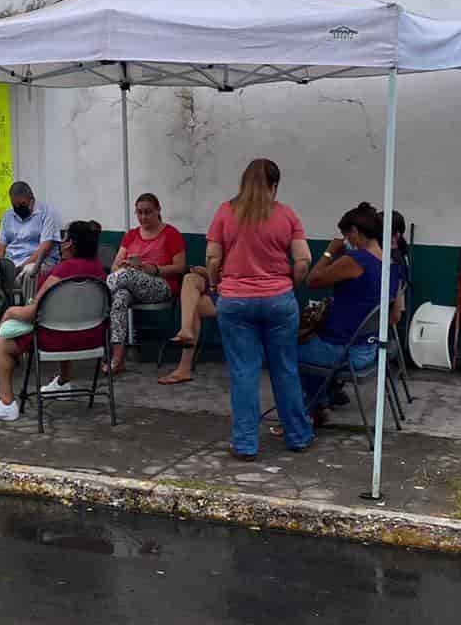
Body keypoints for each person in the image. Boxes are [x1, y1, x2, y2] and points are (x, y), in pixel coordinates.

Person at [208, 158, 313, 459]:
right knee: (285, 370)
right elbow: (303, 260)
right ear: (275, 185)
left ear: (243, 182)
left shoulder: (224, 212)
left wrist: (215, 285)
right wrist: (290, 284)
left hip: (235, 301)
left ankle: (245, 443)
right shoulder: (286, 214)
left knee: (244, 373)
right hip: (279, 299)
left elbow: (213, 259)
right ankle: (298, 436)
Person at [0, 219, 107, 423]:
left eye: (64, 238)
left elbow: (32, 312)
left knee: (2, 343)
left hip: (54, 339)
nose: (61, 242)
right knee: (66, 320)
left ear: (70, 243)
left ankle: (5, 403)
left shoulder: (62, 272)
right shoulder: (99, 270)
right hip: (92, 337)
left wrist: (10, 312)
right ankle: (64, 381)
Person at [299, 203, 403, 427]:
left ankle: (300, 415)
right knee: (312, 347)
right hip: (371, 349)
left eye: (345, 234)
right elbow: (395, 317)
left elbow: (312, 281)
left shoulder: (356, 261)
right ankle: (320, 403)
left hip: (344, 351)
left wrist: (329, 252)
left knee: (286, 350)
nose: (344, 239)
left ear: (354, 232)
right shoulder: (392, 265)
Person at [104, 193, 187, 374]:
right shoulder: (131, 235)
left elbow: (181, 267)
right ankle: (118, 358)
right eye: (139, 213)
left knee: (126, 277)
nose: (143, 217)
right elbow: (115, 266)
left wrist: (154, 269)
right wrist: (123, 266)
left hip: (161, 285)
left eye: (148, 212)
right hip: (131, 283)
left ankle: (99, 296)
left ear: (158, 211)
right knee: (119, 297)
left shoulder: (171, 234)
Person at [0, 181, 60, 296]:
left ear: (31, 199)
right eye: (15, 205)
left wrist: (21, 267)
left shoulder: (47, 213)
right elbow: (0, 246)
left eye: (22, 204)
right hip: (12, 262)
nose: (18, 208)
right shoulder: (8, 215)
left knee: (29, 271)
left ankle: (27, 308)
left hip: (39, 262)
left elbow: (45, 248)